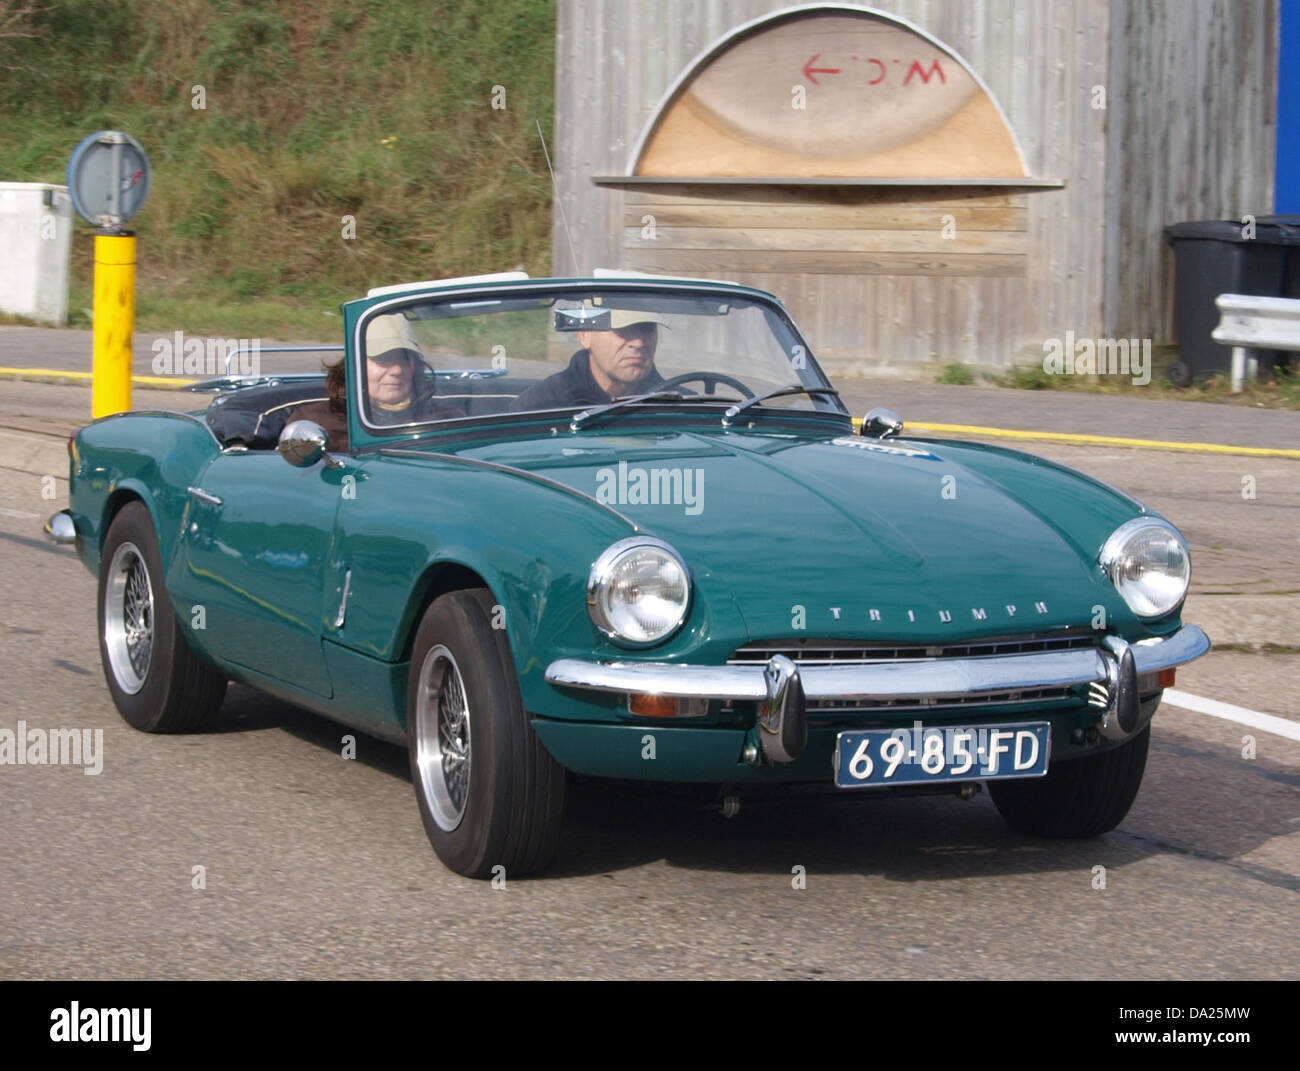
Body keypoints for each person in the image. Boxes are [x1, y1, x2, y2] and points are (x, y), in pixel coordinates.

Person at [293, 313, 464, 450]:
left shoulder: (447, 420)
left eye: (405, 359)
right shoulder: (312, 424)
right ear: (355, 365)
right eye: (384, 358)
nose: (397, 370)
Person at [510, 307, 667, 411]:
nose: (638, 342)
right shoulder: (541, 406)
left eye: (648, 328)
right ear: (585, 335)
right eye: (622, 329)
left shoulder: (681, 406)